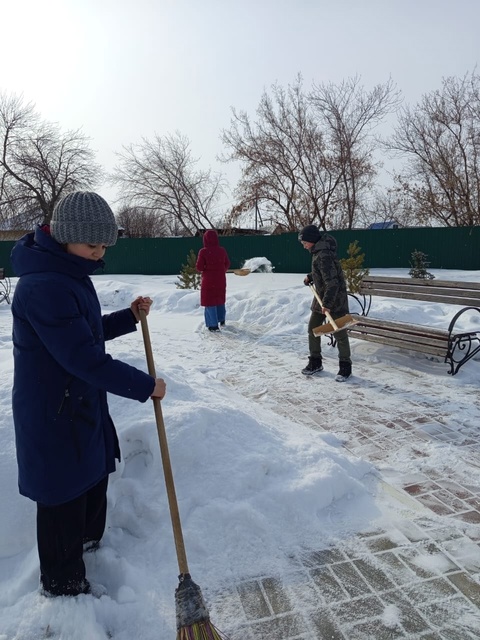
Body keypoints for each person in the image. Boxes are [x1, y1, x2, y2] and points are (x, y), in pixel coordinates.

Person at [10, 191, 167, 597]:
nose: (99, 254)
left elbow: (84, 330)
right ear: (64, 236)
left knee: (91, 476)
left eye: (103, 246)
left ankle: (90, 546)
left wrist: (127, 318)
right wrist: (145, 386)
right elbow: (82, 356)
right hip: (53, 411)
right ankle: (63, 587)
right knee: (62, 494)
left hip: (76, 402)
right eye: (91, 245)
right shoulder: (44, 285)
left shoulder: (68, 274)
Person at [298, 224, 352, 382]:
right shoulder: (318, 252)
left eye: (304, 242)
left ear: (312, 240)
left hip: (334, 298)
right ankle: (315, 362)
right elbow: (322, 272)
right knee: (313, 329)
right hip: (322, 297)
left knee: (339, 332)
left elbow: (333, 282)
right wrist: (311, 276)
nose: (303, 245)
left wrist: (327, 303)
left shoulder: (324, 254)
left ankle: (345, 367)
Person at [196, 229, 231, 331]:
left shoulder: (203, 252)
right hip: (220, 279)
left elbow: (199, 267)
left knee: (209, 302)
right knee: (219, 299)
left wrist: (208, 267)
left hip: (208, 281)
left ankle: (213, 325)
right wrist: (221, 270)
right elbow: (227, 263)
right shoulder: (222, 250)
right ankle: (221, 319)